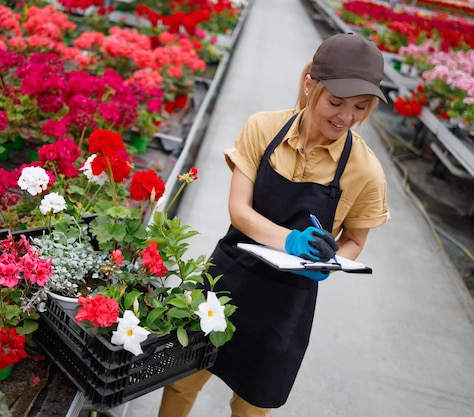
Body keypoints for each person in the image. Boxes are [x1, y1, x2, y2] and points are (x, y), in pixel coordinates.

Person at [157, 33, 391, 417]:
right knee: (182, 378)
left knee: (253, 402)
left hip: (286, 304)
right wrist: (293, 242)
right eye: (335, 102)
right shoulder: (263, 129)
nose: (346, 117)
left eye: (360, 107)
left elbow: (354, 241)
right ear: (309, 85)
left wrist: (327, 262)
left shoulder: (364, 170)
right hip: (227, 278)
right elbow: (239, 212)